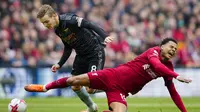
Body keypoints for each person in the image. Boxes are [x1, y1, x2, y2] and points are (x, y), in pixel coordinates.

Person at [25, 38, 192, 112]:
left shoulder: (168, 66)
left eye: (175, 50)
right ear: (161, 46)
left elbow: (173, 92)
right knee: (74, 80)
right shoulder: (153, 52)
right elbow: (156, 66)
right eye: (171, 47)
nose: (173, 50)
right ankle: (45, 88)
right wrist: (176, 75)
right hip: (111, 76)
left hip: (121, 90)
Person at [35, 4, 114, 112]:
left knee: (90, 88)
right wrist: (60, 64)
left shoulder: (70, 20)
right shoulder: (57, 30)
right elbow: (68, 47)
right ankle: (92, 108)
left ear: (54, 15)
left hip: (94, 53)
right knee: (75, 86)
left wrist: (105, 36)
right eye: (43, 23)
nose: (45, 25)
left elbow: (90, 24)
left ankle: (114, 86)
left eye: (46, 21)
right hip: (81, 55)